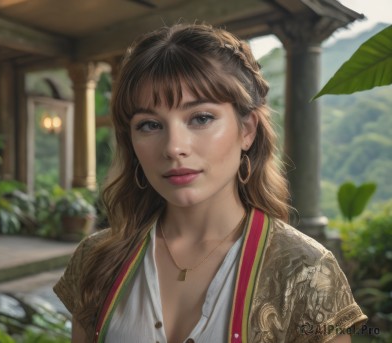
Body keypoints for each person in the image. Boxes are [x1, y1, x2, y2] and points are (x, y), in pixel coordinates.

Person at [53, 23, 367, 343]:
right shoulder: (96, 258)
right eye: (149, 124)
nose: (174, 147)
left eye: (201, 118)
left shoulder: (307, 272)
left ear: (247, 130)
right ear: (131, 141)